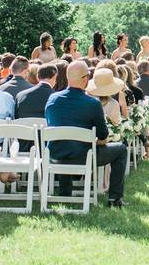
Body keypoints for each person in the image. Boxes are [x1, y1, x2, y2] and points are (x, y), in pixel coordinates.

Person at [45, 60, 128, 207]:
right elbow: (103, 135)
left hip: (55, 154)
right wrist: (99, 140)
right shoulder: (92, 103)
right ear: (85, 79)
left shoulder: (52, 99)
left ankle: (65, 193)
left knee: (65, 145)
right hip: (84, 156)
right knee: (121, 149)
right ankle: (114, 198)